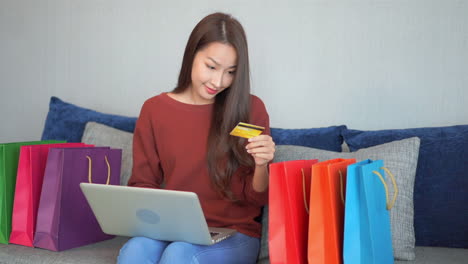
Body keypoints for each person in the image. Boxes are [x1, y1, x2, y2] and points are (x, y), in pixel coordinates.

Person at [117, 12, 275, 264]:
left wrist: (262, 164)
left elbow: (258, 198)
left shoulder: (250, 110)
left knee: (179, 255)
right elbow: (143, 185)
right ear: (192, 55)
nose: (218, 81)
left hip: (234, 233)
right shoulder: (155, 110)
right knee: (133, 251)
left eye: (230, 72)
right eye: (211, 67)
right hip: (173, 230)